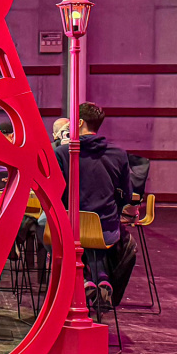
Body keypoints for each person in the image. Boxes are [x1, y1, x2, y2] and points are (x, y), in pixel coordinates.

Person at [56, 102, 132, 306]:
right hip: (107, 227)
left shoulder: (64, 153)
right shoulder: (119, 153)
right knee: (91, 228)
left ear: (80, 123)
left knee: (61, 229)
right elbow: (127, 195)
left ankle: (82, 278)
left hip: (70, 229)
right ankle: (101, 277)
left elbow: (56, 193)